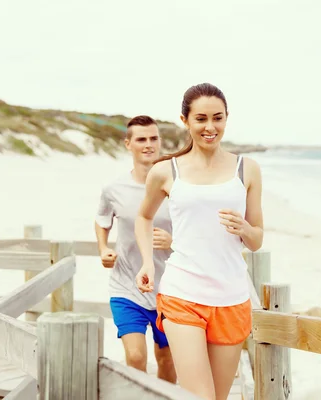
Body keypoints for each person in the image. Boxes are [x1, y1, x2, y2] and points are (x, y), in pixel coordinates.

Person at [134, 83, 264, 400]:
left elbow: (257, 239)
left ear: (226, 119)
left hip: (231, 297)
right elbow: (143, 217)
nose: (210, 127)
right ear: (185, 120)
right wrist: (148, 262)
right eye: (201, 119)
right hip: (183, 293)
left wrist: (245, 228)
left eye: (217, 118)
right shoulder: (166, 171)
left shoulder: (247, 169)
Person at [94, 115, 176, 383]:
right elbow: (101, 219)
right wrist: (104, 248)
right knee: (136, 356)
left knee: (167, 359)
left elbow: (197, 230)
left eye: (154, 138)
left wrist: (173, 242)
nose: (148, 144)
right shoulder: (113, 188)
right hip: (127, 286)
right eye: (141, 139)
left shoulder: (178, 186)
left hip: (171, 290)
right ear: (128, 144)